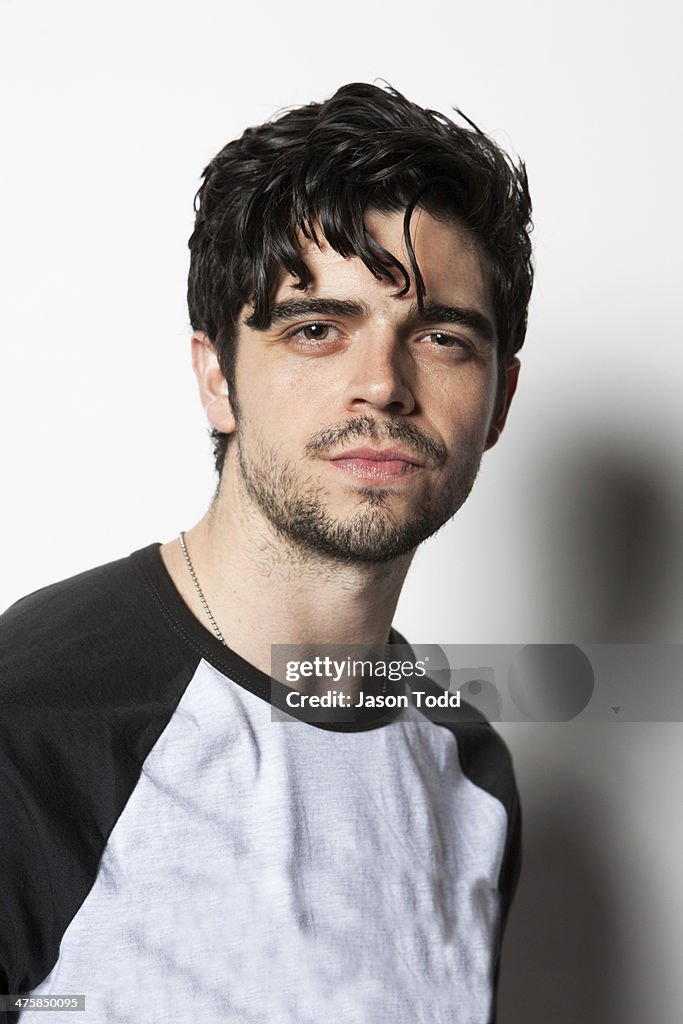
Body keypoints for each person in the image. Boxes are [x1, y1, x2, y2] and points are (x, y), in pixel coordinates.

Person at [0, 82, 533, 1023]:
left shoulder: (470, 768)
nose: (381, 384)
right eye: (316, 329)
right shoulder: (31, 718)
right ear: (216, 377)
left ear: (499, 402)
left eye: (442, 337)